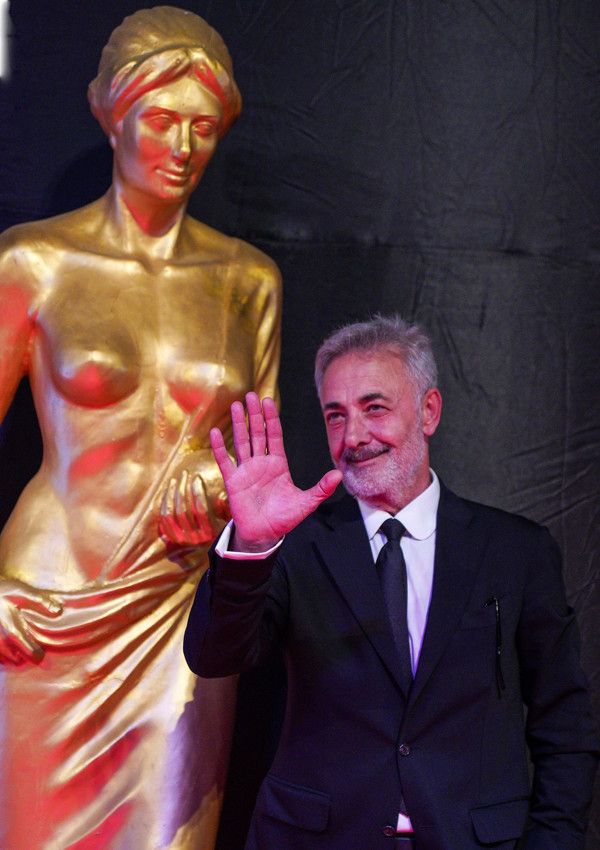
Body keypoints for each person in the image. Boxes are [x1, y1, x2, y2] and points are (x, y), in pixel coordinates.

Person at [0, 7, 280, 850]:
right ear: (112, 116)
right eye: (160, 120)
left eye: (204, 127)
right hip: (45, 607)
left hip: (181, 615)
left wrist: (221, 485)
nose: (182, 147)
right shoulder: (34, 263)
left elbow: (264, 464)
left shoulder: (248, 281)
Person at [184, 315, 598, 850]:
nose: (354, 436)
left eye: (374, 408)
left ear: (429, 411)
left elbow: (565, 725)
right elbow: (215, 656)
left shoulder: (516, 551)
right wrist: (251, 544)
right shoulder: (294, 546)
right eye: (336, 416)